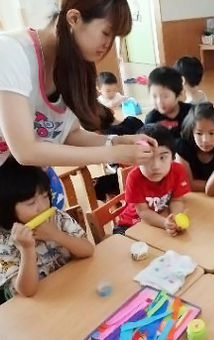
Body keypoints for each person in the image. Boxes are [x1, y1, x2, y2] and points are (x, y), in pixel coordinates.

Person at [0, 0, 154, 168]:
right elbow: (26, 151)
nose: (108, 45)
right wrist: (113, 153)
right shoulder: (11, 52)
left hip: (26, 180)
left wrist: (116, 141)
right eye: (106, 33)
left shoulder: (73, 67)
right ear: (74, 18)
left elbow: (69, 135)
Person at [0, 157, 94, 301]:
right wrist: (27, 249)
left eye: (45, 196)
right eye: (31, 203)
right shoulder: (4, 243)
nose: (43, 207)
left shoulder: (57, 218)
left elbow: (88, 250)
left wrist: (57, 235)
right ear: (7, 209)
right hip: (42, 305)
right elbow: (28, 291)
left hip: (74, 287)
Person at [116, 124, 191, 236]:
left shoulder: (177, 170)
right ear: (136, 160)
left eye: (162, 157)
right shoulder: (134, 178)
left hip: (158, 220)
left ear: (173, 157)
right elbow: (143, 211)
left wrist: (175, 219)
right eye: (148, 158)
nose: (156, 166)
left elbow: (177, 200)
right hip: (130, 225)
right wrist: (165, 223)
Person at [144, 66, 192, 135]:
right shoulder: (152, 119)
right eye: (154, 96)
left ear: (178, 95)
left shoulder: (190, 113)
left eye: (165, 96)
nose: (159, 101)